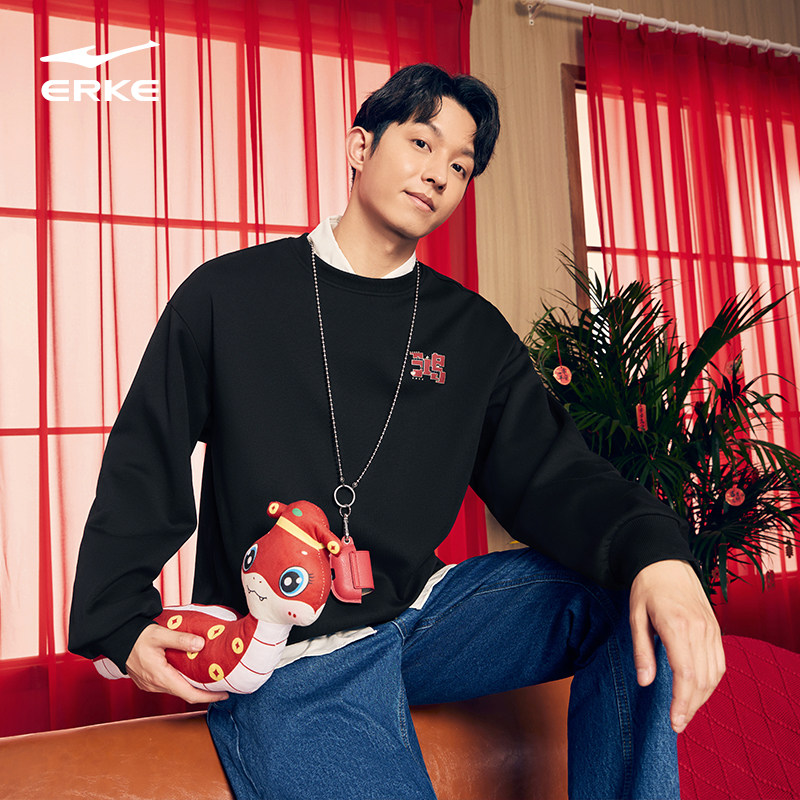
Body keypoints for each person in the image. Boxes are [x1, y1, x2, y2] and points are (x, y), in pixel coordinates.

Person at [69, 63, 724, 799]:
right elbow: (146, 453)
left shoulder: (470, 331)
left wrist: (658, 555)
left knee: (631, 594)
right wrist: (117, 621)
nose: (439, 173)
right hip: (293, 652)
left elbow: (554, 474)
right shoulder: (229, 295)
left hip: (426, 617)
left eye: (460, 165)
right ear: (360, 147)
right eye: (421, 143)